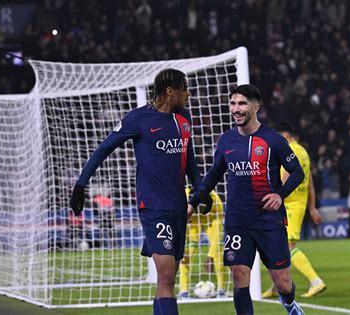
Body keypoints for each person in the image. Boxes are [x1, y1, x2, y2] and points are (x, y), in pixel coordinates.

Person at [70, 68, 212, 315]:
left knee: (167, 281)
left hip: (178, 207)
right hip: (153, 207)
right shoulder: (138, 118)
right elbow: (103, 149)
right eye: (184, 88)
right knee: (167, 275)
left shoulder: (184, 119)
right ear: (170, 91)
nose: (188, 94)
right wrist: (81, 185)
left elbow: (190, 160)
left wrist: (201, 190)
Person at [189, 84, 305, 315]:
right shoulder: (226, 141)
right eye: (233, 103)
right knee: (239, 275)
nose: (236, 108)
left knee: (282, 282)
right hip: (237, 221)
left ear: (255, 107)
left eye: (242, 103)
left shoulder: (273, 140)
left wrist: (279, 195)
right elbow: (215, 171)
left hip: (269, 221)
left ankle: (289, 302)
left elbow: (298, 172)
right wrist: (197, 197)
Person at [262, 121, 326, 299]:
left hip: (290, 205)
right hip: (296, 203)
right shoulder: (303, 151)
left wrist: (272, 195)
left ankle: (316, 281)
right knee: (272, 246)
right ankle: (277, 285)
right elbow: (309, 180)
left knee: (287, 248)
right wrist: (311, 207)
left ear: (286, 136)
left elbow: (285, 178)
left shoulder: (291, 150)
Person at [178, 187, 226, 299]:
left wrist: (211, 256)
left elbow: (218, 232)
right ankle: (183, 291)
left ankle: (222, 290)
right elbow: (181, 226)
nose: (200, 211)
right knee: (186, 255)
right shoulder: (183, 199)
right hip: (193, 221)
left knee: (218, 253)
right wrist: (181, 248)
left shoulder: (216, 201)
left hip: (212, 220)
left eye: (202, 208)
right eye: (197, 208)